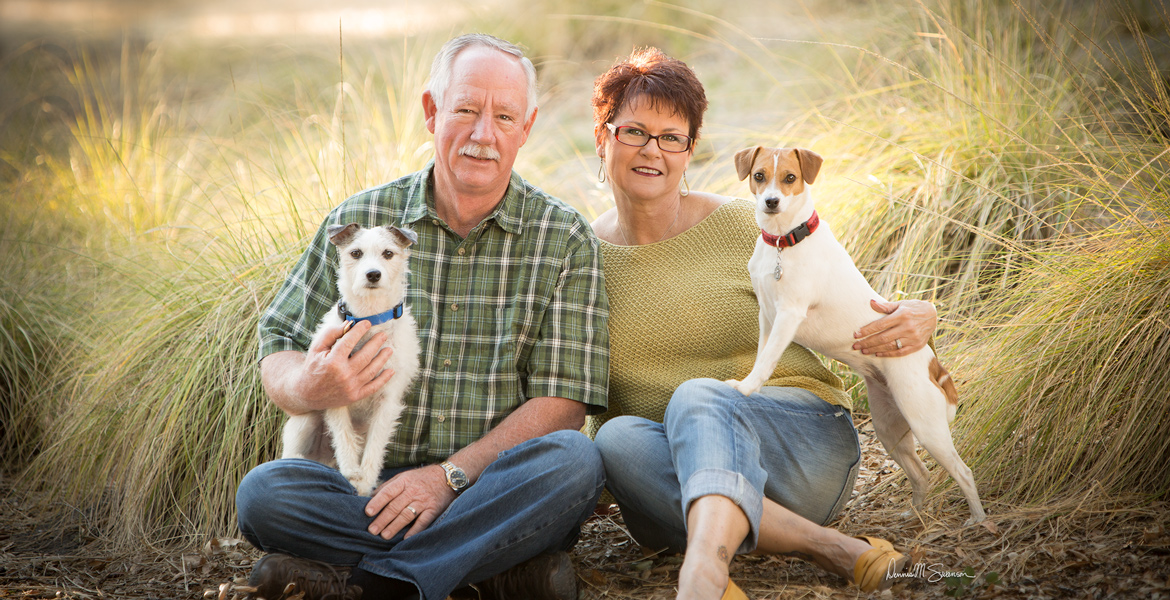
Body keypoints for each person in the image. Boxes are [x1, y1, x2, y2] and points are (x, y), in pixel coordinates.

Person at [236, 34, 610, 600]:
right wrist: (307, 382)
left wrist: (447, 478)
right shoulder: (362, 221)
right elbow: (279, 342)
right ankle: (493, 571)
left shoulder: (564, 239)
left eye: (504, 116)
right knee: (265, 495)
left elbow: (564, 403)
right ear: (432, 112)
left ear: (526, 128)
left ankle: (371, 581)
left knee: (574, 463)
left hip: (486, 487)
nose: (484, 134)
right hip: (363, 489)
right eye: (465, 110)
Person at [587, 47, 939, 599]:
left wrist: (921, 313)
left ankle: (704, 569)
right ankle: (830, 548)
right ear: (603, 137)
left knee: (697, 396)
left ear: (689, 150)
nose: (651, 150)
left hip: (801, 449)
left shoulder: (749, 224)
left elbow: (843, 295)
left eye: (671, 136)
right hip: (670, 477)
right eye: (633, 131)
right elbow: (582, 393)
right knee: (615, 438)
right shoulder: (581, 261)